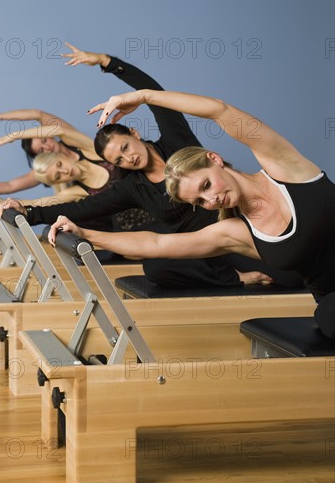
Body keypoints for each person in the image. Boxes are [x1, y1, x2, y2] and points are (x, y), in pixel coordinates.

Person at [1, 44, 303, 288]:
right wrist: (30, 212)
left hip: (239, 232)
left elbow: (155, 94)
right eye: (118, 160)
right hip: (199, 252)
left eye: (126, 148)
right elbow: (83, 209)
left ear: (134, 133)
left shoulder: (176, 140)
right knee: (157, 265)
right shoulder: (133, 187)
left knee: (291, 275)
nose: (128, 158)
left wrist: (106, 62)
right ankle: (236, 280)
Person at [46, 89, 335, 339]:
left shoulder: (284, 166)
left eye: (206, 184)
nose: (212, 199)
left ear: (214, 159)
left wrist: (145, 96)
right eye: (200, 200)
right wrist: (86, 235)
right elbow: (155, 245)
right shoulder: (235, 231)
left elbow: (220, 110)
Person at [0, 108, 101, 197]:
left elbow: (38, 114)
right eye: (41, 150)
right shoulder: (49, 169)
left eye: (44, 141)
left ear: (48, 133)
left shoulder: (71, 138)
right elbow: (10, 185)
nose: (47, 148)